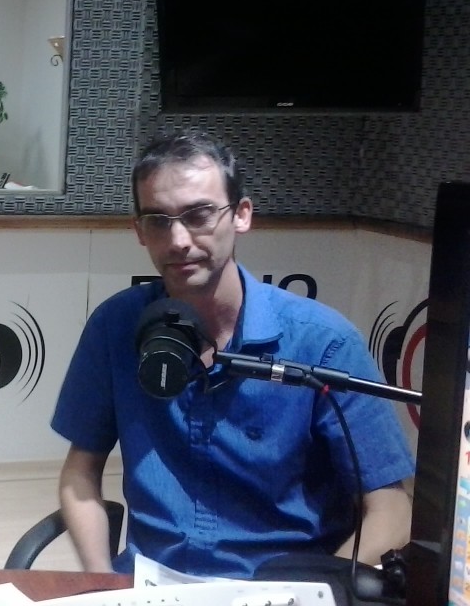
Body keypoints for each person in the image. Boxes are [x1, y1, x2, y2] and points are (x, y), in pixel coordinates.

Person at [51, 131, 414, 579]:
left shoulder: (324, 343)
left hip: (280, 588)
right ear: (139, 231)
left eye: (199, 215)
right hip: (148, 583)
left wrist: (315, 591)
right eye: (159, 220)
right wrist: (101, 582)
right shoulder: (116, 325)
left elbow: (392, 508)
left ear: (241, 215)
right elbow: (79, 476)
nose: (178, 239)